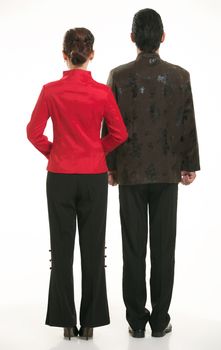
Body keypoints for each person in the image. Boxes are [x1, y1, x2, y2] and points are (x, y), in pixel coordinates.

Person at [102, 9, 200, 338]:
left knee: (133, 248)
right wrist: (189, 164)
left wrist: (110, 166)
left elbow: (110, 126)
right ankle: (160, 320)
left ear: (133, 37)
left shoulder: (118, 75)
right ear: (162, 36)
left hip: (129, 173)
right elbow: (187, 122)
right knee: (163, 249)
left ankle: (135, 321)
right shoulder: (180, 76)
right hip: (166, 173)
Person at [27, 27, 128, 340]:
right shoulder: (102, 92)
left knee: (61, 249)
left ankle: (65, 321)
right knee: (93, 250)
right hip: (94, 177)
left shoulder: (50, 90)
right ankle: (91, 323)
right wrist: (97, 149)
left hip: (59, 176)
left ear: (64, 55)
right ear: (91, 55)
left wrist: (55, 151)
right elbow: (119, 133)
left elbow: (34, 132)